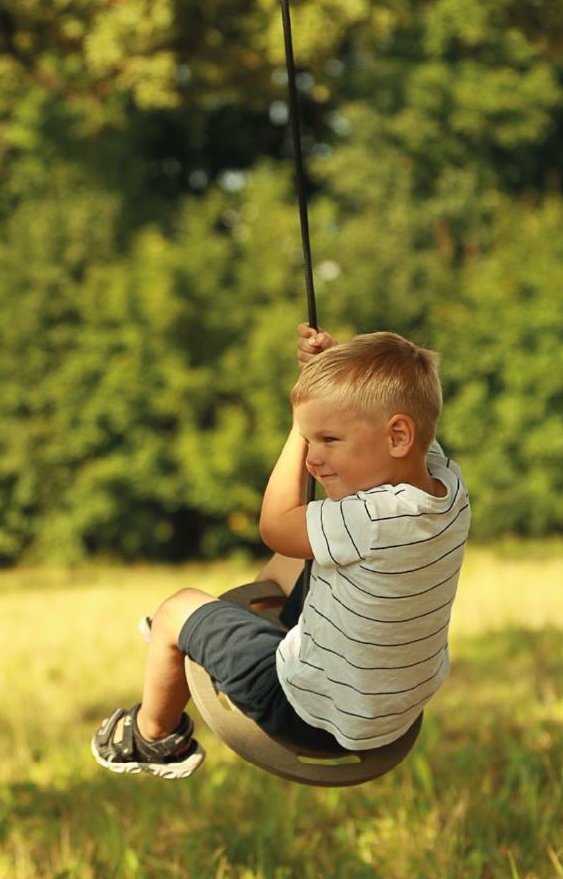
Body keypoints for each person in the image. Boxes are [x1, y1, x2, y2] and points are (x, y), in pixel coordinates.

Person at [91, 324, 471, 778]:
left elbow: (275, 526)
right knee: (304, 550)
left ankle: (152, 740)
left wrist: (298, 422)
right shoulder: (446, 485)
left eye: (328, 440)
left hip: (309, 711)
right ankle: (246, 627)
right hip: (391, 709)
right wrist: (328, 380)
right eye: (313, 438)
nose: (313, 457)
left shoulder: (369, 521)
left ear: (398, 438)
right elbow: (397, 415)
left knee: (176, 611)